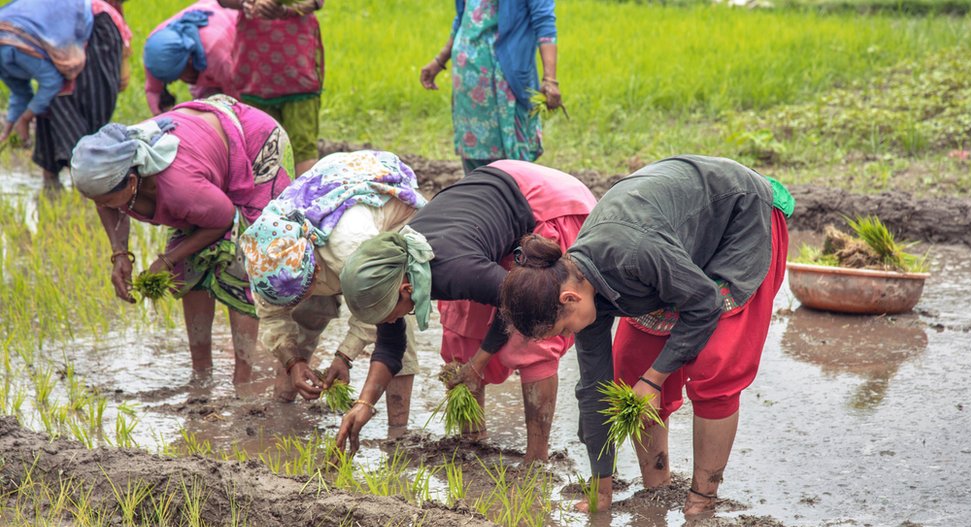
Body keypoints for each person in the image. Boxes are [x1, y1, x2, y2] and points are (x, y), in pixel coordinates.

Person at [499, 155, 795, 514]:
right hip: (677, 242)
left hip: (740, 215)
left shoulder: (633, 254)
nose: (568, 336)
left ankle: (702, 499)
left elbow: (704, 303)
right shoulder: (580, 282)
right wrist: (600, 488)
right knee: (628, 368)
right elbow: (594, 391)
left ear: (569, 299)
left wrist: (654, 380)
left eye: (563, 328)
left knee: (715, 367)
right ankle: (657, 488)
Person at [335, 161, 595, 462]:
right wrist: (364, 403)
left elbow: (514, 306)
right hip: (488, 202)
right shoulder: (397, 268)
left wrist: (478, 363)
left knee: (533, 333)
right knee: (461, 336)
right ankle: (473, 445)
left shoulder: (453, 270)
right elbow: (391, 346)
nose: (392, 321)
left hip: (543, 203)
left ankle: (536, 459)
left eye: (390, 314)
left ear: (406, 290)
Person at [70, 94, 294, 384]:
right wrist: (120, 254)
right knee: (189, 270)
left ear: (134, 182)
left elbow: (224, 218)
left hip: (256, 142)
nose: (103, 205)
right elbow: (104, 202)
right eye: (95, 200)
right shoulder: (112, 169)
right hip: (201, 148)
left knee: (241, 267)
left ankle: (244, 380)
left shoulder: (179, 188)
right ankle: (201, 372)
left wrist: (166, 260)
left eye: (108, 199)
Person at [239, 150, 426, 434]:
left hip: (383, 202)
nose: (301, 299)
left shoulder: (352, 245)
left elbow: (378, 308)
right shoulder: (267, 255)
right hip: (326, 199)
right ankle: (282, 411)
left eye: (305, 291)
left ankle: (397, 434)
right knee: (306, 314)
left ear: (313, 271)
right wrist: (293, 362)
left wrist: (345, 356)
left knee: (397, 319)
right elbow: (272, 315)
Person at [420, 0, 562, 174]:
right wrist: (439, 60)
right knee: (476, 162)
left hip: (507, 80)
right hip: (468, 80)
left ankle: (505, 198)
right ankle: (480, 198)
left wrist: (550, 79)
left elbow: (544, 21)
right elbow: (463, 16)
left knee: (514, 165)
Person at [0, 0, 131, 189]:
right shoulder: (5, 58)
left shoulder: (10, 46)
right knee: (47, 104)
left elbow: (51, 82)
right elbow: (21, 93)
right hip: (61, 31)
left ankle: (91, 186)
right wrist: (9, 128)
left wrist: (26, 118)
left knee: (72, 101)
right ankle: (52, 182)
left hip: (94, 23)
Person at [217, 0, 324, 176]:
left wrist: (275, 6)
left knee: (293, 148)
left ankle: (299, 201)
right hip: (259, 68)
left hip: (292, 69)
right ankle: (280, 201)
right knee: (262, 148)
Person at [143, 0, 237, 116]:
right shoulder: (156, 47)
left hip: (233, 17)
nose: (176, 81)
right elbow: (153, 89)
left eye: (178, 75)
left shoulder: (217, 55)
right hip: (209, 34)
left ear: (189, 60)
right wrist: (159, 114)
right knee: (204, 103)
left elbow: (235, 93)